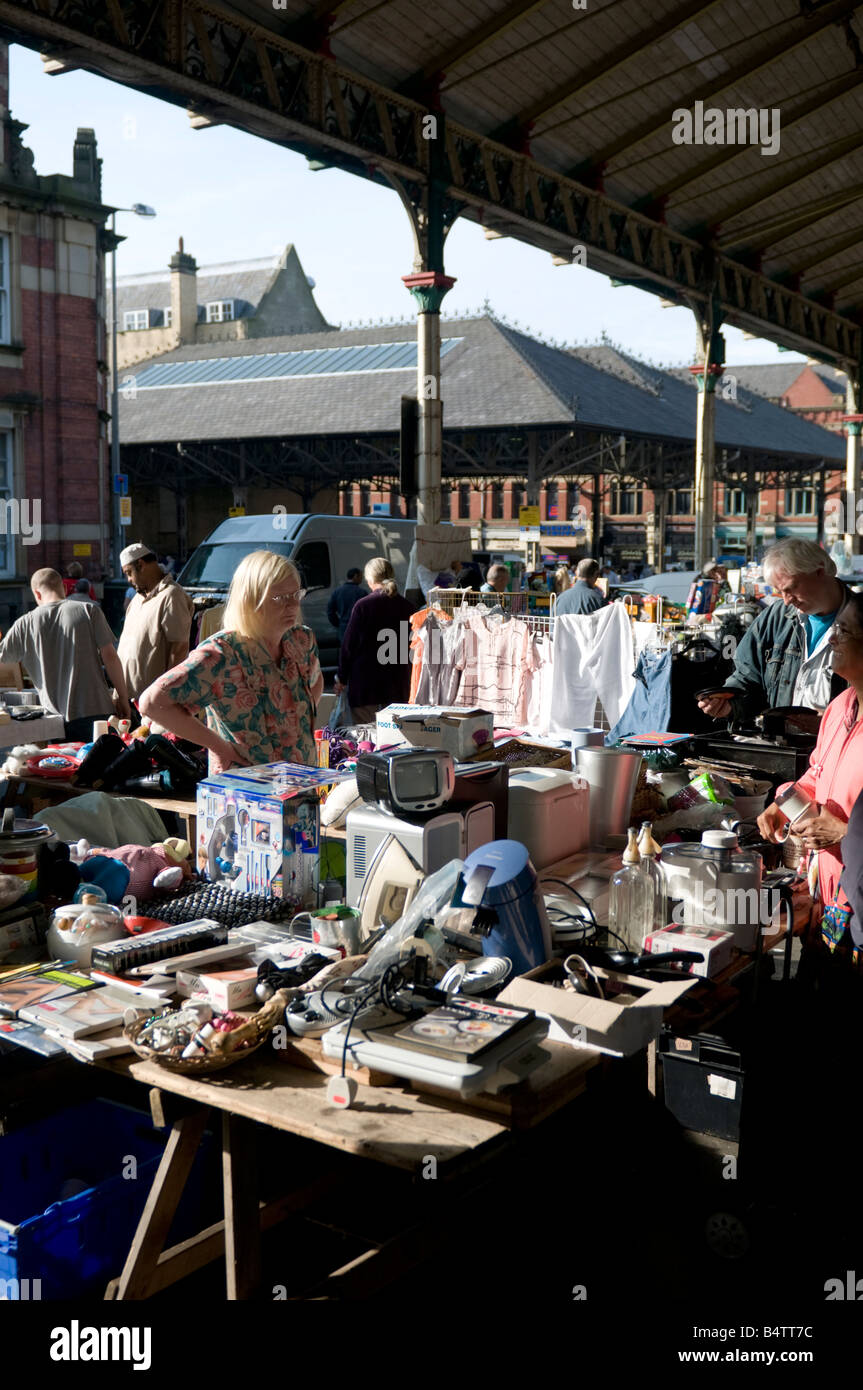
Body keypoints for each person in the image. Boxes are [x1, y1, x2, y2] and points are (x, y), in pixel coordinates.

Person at [138, 551, 323, 773]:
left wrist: (294, 719)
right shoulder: (221, 653)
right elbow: (152, 703)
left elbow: (316, 680)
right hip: (245, 792)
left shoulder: (301, 639)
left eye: (296, 594)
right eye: (280, 598)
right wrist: (220, 747)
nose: (293, 606)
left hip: (300, 783)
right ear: (251, 600)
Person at [757, 593, 863, 937]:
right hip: (828, 893)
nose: (831, 638)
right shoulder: (840, 706)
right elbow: (817, 773)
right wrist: (783, 806)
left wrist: (847, 835)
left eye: (843, 632)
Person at [697, 539, 852, 722]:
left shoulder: (857, 621)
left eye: (791, 589)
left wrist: (827, 724)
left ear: (820, 572)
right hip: (780, 744)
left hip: (839, 745)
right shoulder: (776, 617)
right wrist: (729, 704)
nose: (786, 600)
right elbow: (747, 677)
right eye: (780, 592)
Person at [0, 568, 130, 738]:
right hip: (98, 712)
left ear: (37, 594)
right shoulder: (89, 610)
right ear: (64, 587)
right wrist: (123, 698)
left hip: (56, 719)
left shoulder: (24, 624)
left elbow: (3, 662)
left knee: (66, 763)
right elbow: (111, 657)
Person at [335, 557, 415, 723]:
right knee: (395, 741)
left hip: (366, 684)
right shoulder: (407, 607)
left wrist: (342, 678)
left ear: (370, 579)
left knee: (366, 740)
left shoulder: (363, 605)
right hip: (397, 684)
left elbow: (348, 646)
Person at [117, 541, 194, 703]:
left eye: (129, 572)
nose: (129, 579)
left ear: (141, 564)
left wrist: (167, 695)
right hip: (128, 698)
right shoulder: (137, 600)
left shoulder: (172, 595)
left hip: (154, 702)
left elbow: (179, 649)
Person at [327, 567, 368, 643]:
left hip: (344, 629)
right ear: (355, 576)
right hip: (359, 629)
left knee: (346, 652)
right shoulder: (362, 592)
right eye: (361, 576)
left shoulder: (337, 592)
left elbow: (330, 611)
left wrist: (338, 624)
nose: (362, 579)